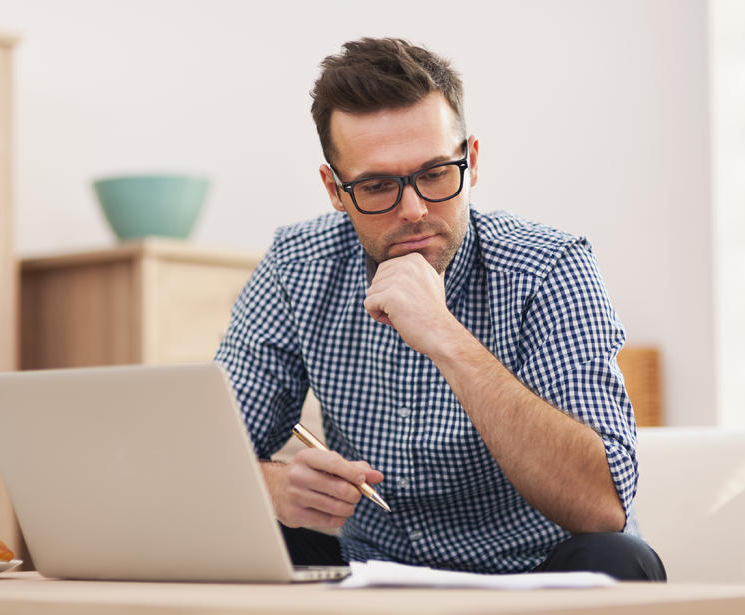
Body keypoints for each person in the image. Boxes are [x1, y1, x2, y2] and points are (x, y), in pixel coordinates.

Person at [214, 37, 665, 581]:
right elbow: (205, 457)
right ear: (334, 189)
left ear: (470, 162)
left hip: (535, 574)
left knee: (619, 560)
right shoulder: (297, 265)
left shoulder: (550, 267)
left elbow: (602, 507)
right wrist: (275, 487)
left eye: (434, 174)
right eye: (378, 186)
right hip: (368, 570)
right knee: (252, 535)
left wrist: (445, 336)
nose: (414, 210)